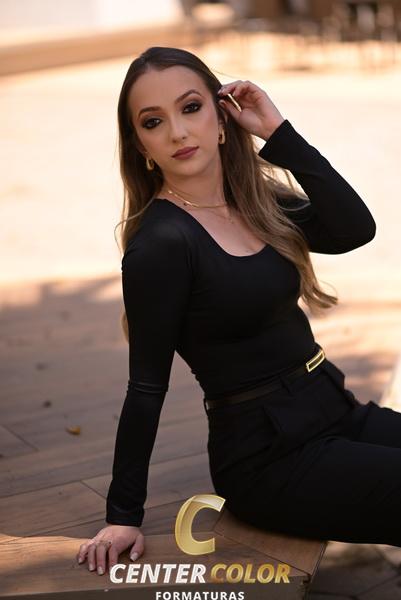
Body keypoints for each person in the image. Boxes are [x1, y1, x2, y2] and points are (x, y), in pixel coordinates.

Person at [76, 45, 395, 577]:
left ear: (223, 118)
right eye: (154, 121)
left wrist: (279, 133)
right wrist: (122, 516)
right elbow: (146, 388)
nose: (178, 132)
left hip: (335, 410)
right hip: (269, 458)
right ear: (141, 145)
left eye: (191, 108)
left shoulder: (256, 201)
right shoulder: (161, 244)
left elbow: (355, 229)